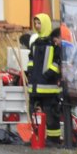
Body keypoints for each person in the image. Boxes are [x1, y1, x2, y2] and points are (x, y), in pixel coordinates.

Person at [24, 13, 65, 144]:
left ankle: (53, 139)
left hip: (49, 88)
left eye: (39, 23)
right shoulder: (35, 43)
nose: (37, 26)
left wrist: (48, 74)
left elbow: (57, 61)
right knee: (35, 114)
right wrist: (30, 71)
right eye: (35, 23)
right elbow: (31, 59)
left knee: (51, 115)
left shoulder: (53, 44)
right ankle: (38, 137)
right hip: (35, 86)